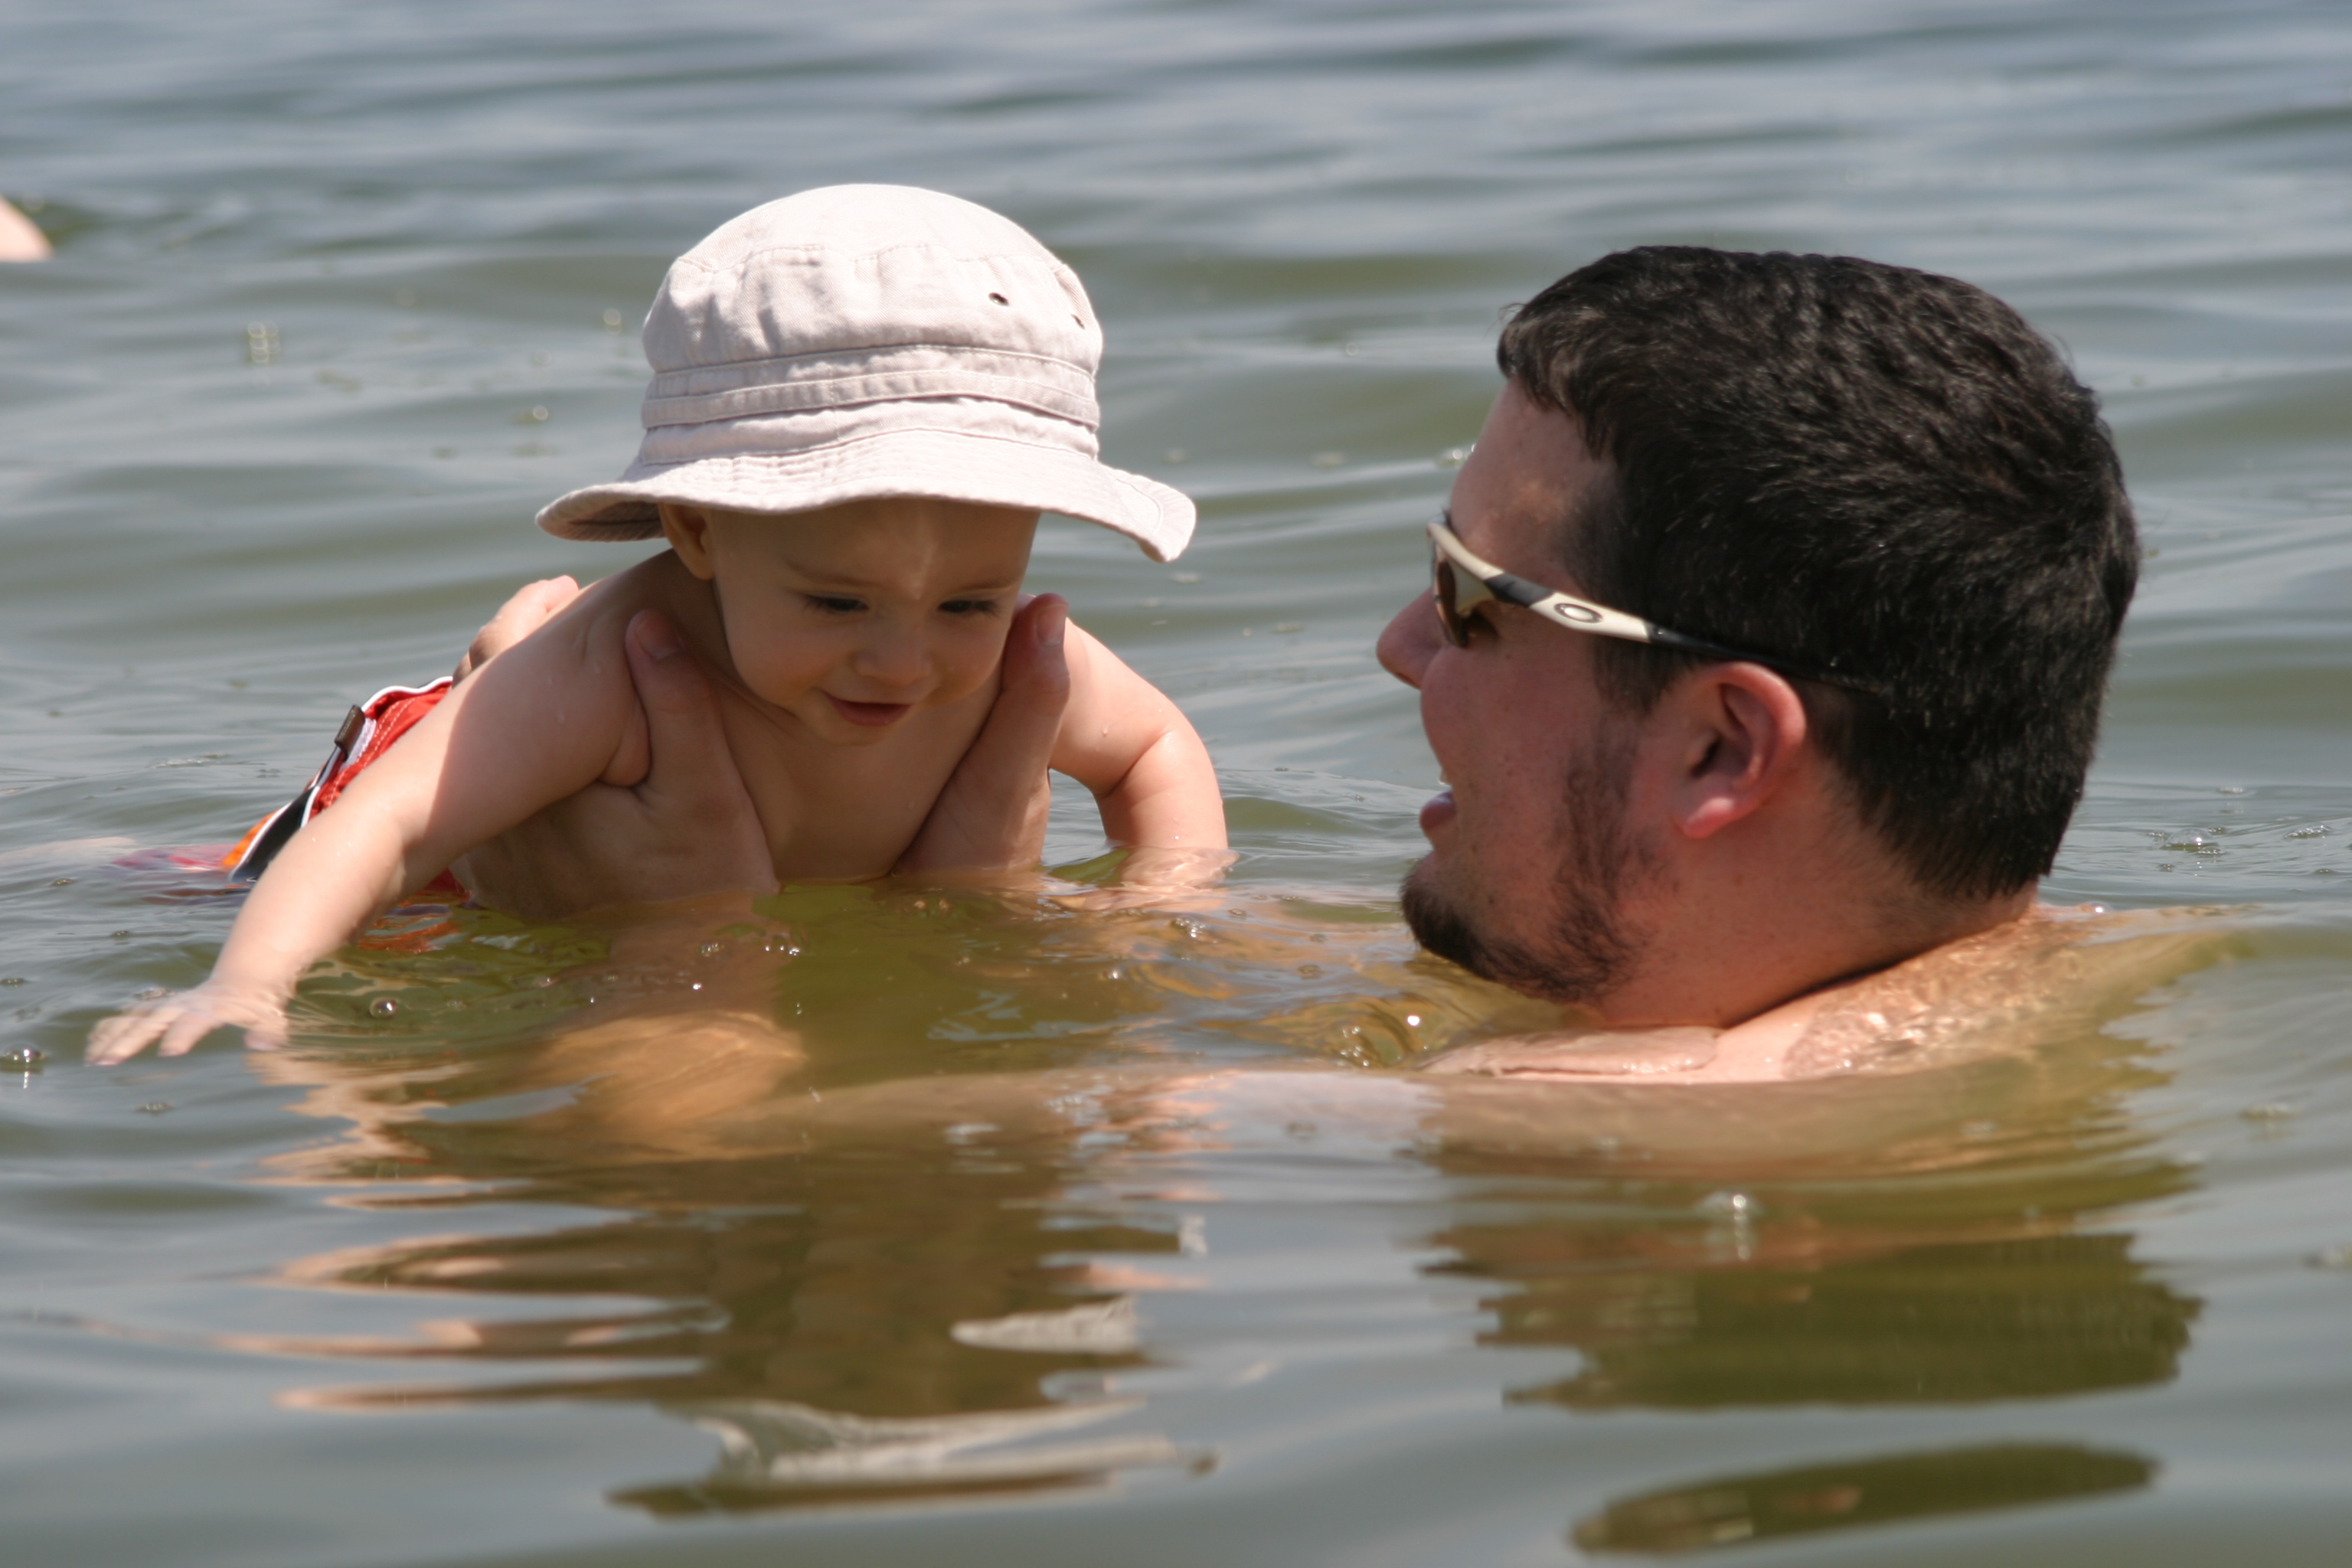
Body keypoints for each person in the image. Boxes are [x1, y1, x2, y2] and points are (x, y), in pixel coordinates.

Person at [254, 243, 2145, 1086]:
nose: (1397, 642)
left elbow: (780, 1238)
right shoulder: (1923, 987)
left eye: (1472, 599)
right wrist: (991, 921)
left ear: (1725, 751)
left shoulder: (1661, 1134)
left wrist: (692, 942)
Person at [88, 186, 1224, 1063]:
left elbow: (1154, 750)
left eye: (968, 602)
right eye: (838, 602)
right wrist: (248, 985)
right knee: (181, 881)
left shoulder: (1013, 658)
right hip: (430, 871)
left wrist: (1160, 907)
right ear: (696, 533)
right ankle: (108, 861)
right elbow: (386, 831)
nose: (904, 658)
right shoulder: (611, 669)